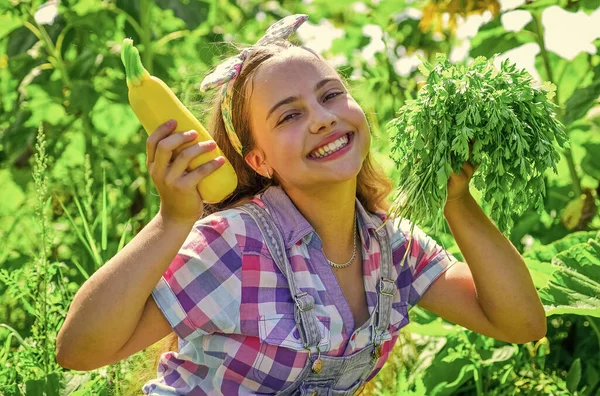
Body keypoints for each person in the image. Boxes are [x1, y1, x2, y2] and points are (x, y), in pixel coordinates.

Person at [56, 14, 547, 395]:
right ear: (259, 160)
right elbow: (80, 350)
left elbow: (520, 323)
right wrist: (172, 220)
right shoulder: (235, 243)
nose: (321, 119)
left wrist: (458, 203)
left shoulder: (389, 246)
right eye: (289, 115)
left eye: (331, 95)